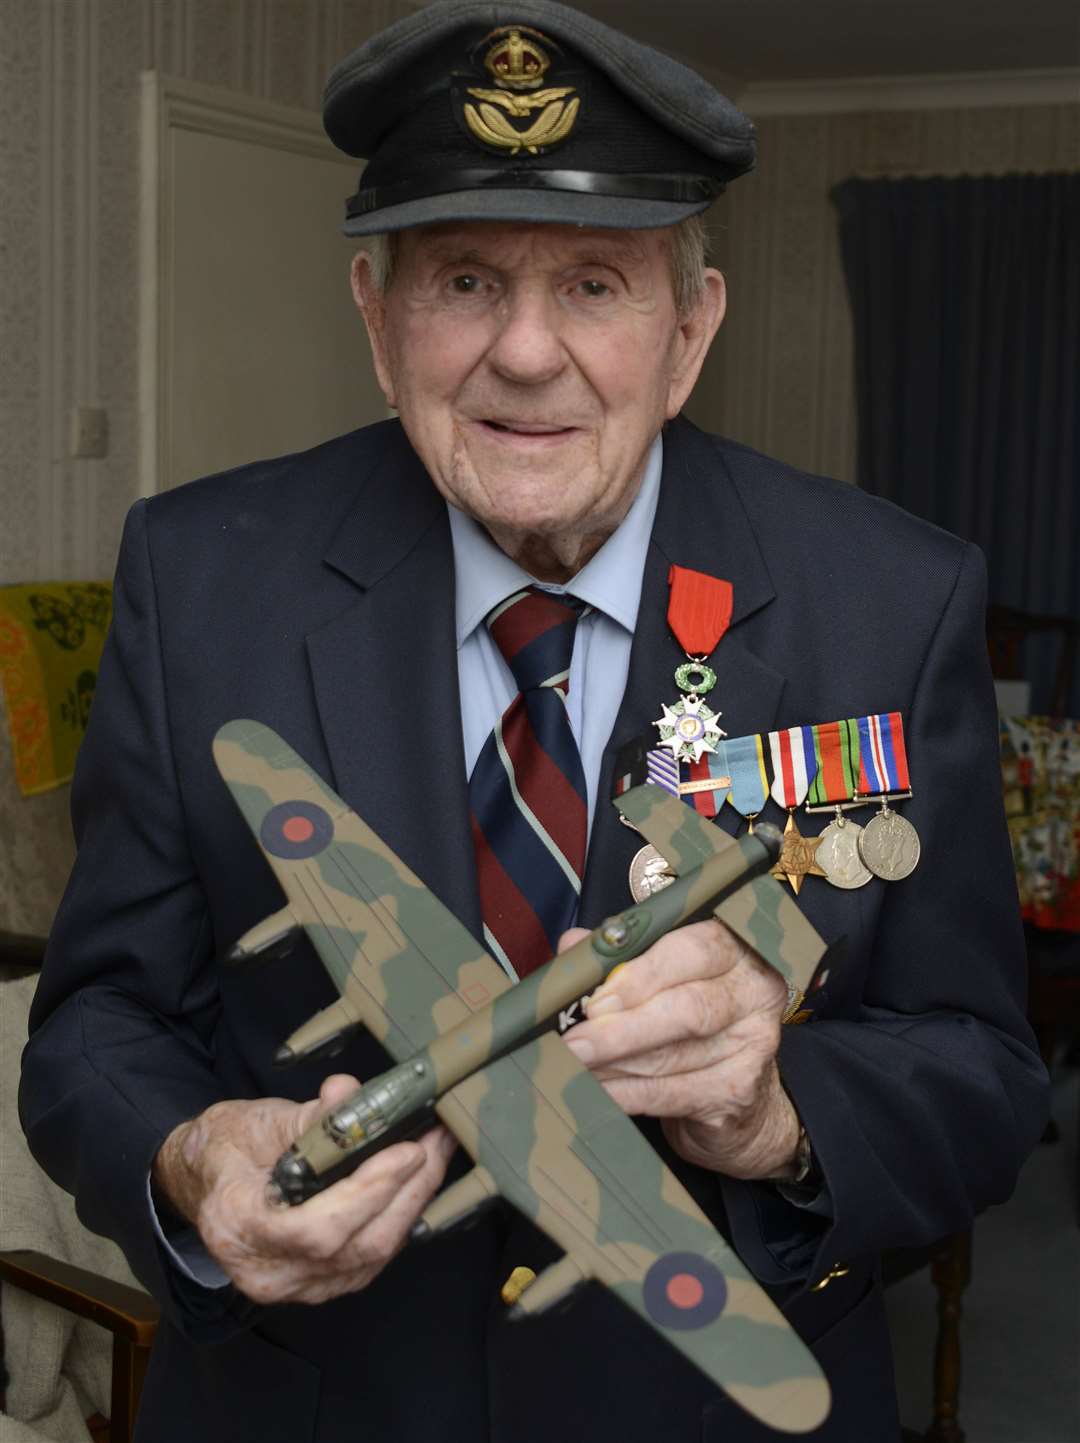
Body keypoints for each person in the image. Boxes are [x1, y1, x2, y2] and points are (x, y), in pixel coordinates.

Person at [20, 3, 1047, 1440]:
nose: (523, 352)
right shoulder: (201, 580)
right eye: (462, 279)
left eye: (593, 284)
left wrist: (774, 1115)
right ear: (379, 323)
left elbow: (984, 1071)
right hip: (316, 1402)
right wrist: (190, 1156)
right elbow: (98, 1027)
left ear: (689, 333)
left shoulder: (890, 600)